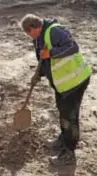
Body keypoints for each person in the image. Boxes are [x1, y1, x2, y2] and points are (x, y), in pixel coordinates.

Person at [20, 14, 92, 165]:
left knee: (69, 118)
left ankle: (69, 153)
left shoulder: (54, 31)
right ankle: (64, 138)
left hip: (75, 81)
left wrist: (51, 53)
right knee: (62, 111)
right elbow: (43, 60)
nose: (29, 36)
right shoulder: (39, 38)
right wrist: (38, 74)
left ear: (34, 27)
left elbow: (73, 47)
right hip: (64, 83)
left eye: (28, 33)